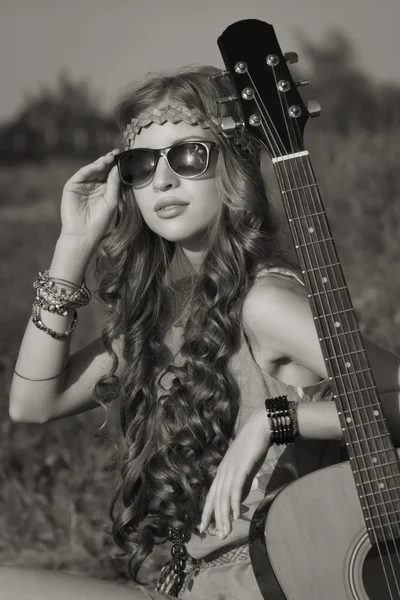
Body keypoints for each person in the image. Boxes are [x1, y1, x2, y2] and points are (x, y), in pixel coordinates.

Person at [5, 64, 400, 600]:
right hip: (190, 585)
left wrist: (276, 419)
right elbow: (32, 404)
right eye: (141, 164)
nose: (162, 180)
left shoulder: (266, 303)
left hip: (270, 580)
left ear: (233, 167)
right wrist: (72, 245)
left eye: (190, 155)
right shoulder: (167, 315)